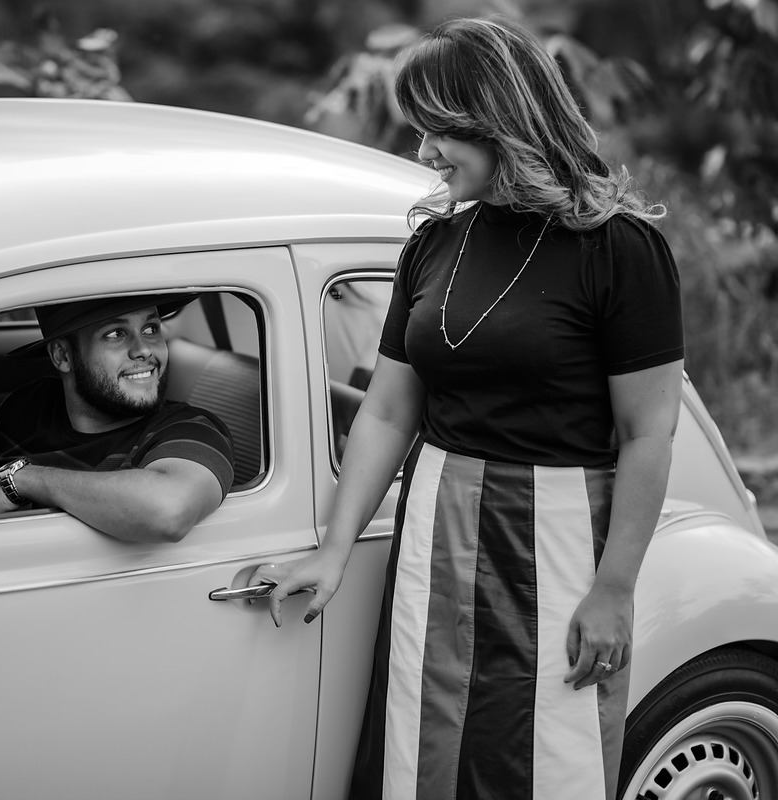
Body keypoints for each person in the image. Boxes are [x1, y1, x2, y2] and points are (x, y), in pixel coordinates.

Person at [257, 17, 684, 800]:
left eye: (437, 132)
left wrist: (615, 589)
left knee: (549, 758)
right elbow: (388, 411)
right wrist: (335, 549)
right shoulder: (433, 246)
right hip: (436, 532)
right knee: (425, 748)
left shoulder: (618, 247)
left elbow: (649, 432)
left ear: (498, 121)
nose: (424, 154)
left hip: (559, 537)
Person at [0, 294, 234, 542]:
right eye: (116, 334)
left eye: (150, 328)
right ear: (63, 356)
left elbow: (168, 511)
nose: (143, 350)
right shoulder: (27, 408)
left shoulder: (192, 430)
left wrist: (23, 481)